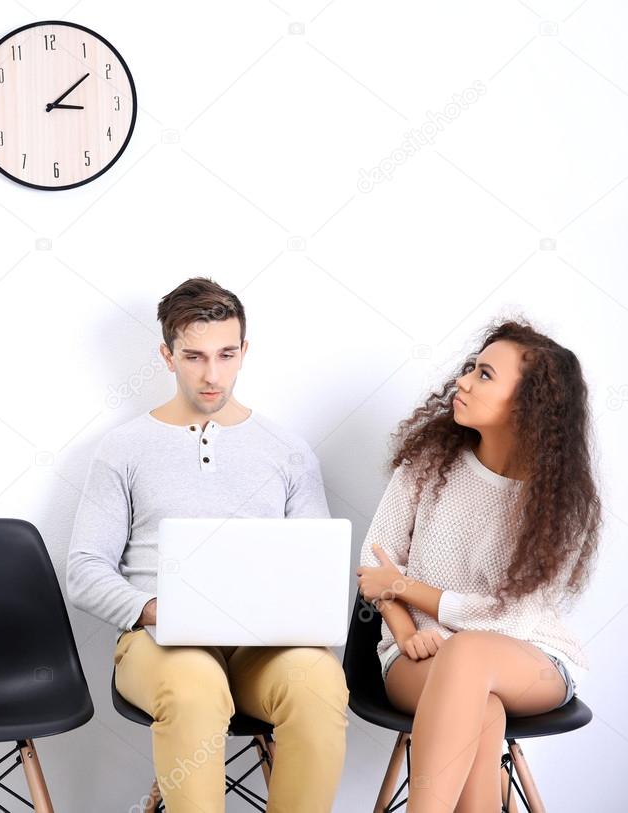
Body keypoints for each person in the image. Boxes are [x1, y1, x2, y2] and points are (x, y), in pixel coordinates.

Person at [66, 277, 348, 813]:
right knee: (195, 687)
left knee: (319, 684)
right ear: (167, 355)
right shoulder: (124, 448)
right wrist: (153, 610)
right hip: (161, 644)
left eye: (225, 354)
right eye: (194, 356)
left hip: (264, 650)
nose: (212, 374)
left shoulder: (288, 450)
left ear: (244, 351)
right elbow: (84, 568)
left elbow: (319, 567)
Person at [356, 319, 600, 812]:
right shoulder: (427, 464)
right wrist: (403, 631)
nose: (463, 380)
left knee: (467, 655)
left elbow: (507, 619)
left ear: (530, 404)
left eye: (485, 374)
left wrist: (405, 586)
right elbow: (372, 565)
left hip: (529, 660)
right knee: (479, 706)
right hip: (415, 659)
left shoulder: (559, 503)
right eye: (471, 367)